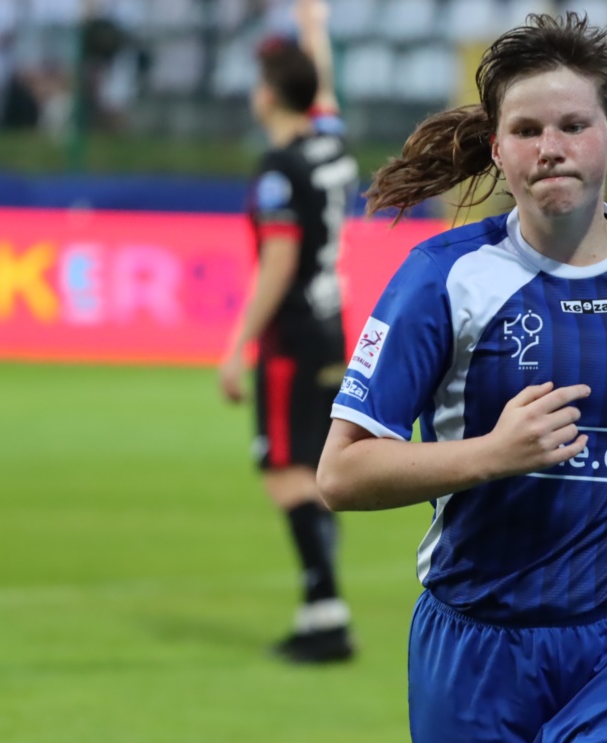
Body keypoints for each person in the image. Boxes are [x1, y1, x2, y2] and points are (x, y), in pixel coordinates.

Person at [317, 13, 607, 743]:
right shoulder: (444, 280)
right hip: (479, 646)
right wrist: (490, 455)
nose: (552, 147)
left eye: (574, 124)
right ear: (498, 148)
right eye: (528, 129)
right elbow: (340, 473)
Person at [218, 0, 359, 663]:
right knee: (312, 463)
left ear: (268, 95)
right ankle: (316, 608)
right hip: (333, 323)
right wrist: (314, 28)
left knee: (283, 469)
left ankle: (326, 609)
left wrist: (236, 345)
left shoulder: (280, 169)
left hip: (291, 334)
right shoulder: (329, 147)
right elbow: (323, 92)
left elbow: (277, 263)